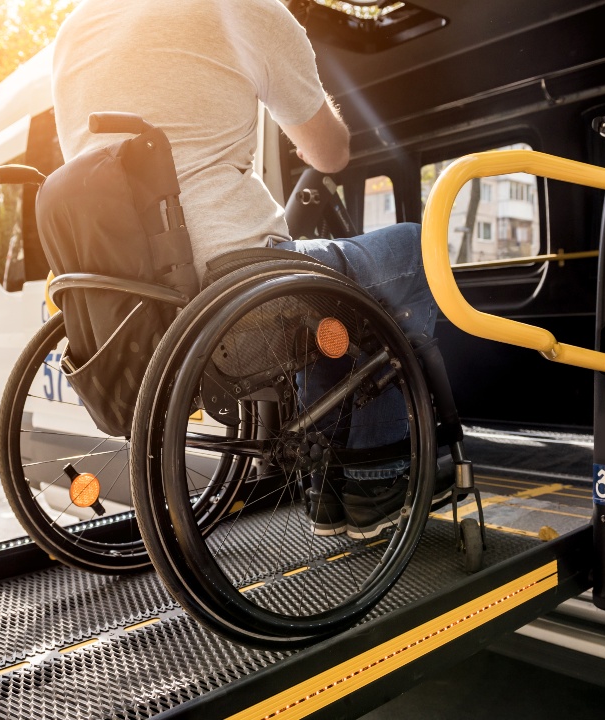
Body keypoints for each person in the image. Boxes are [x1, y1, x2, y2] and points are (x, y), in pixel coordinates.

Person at [51, 0, 448, 539]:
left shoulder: (76, 27)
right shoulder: (244, 8)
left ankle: (329, 492)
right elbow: (330, 153)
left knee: (324, 288)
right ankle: (375, 479)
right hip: (236, 278)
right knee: (408, 249)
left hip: (139, 295)